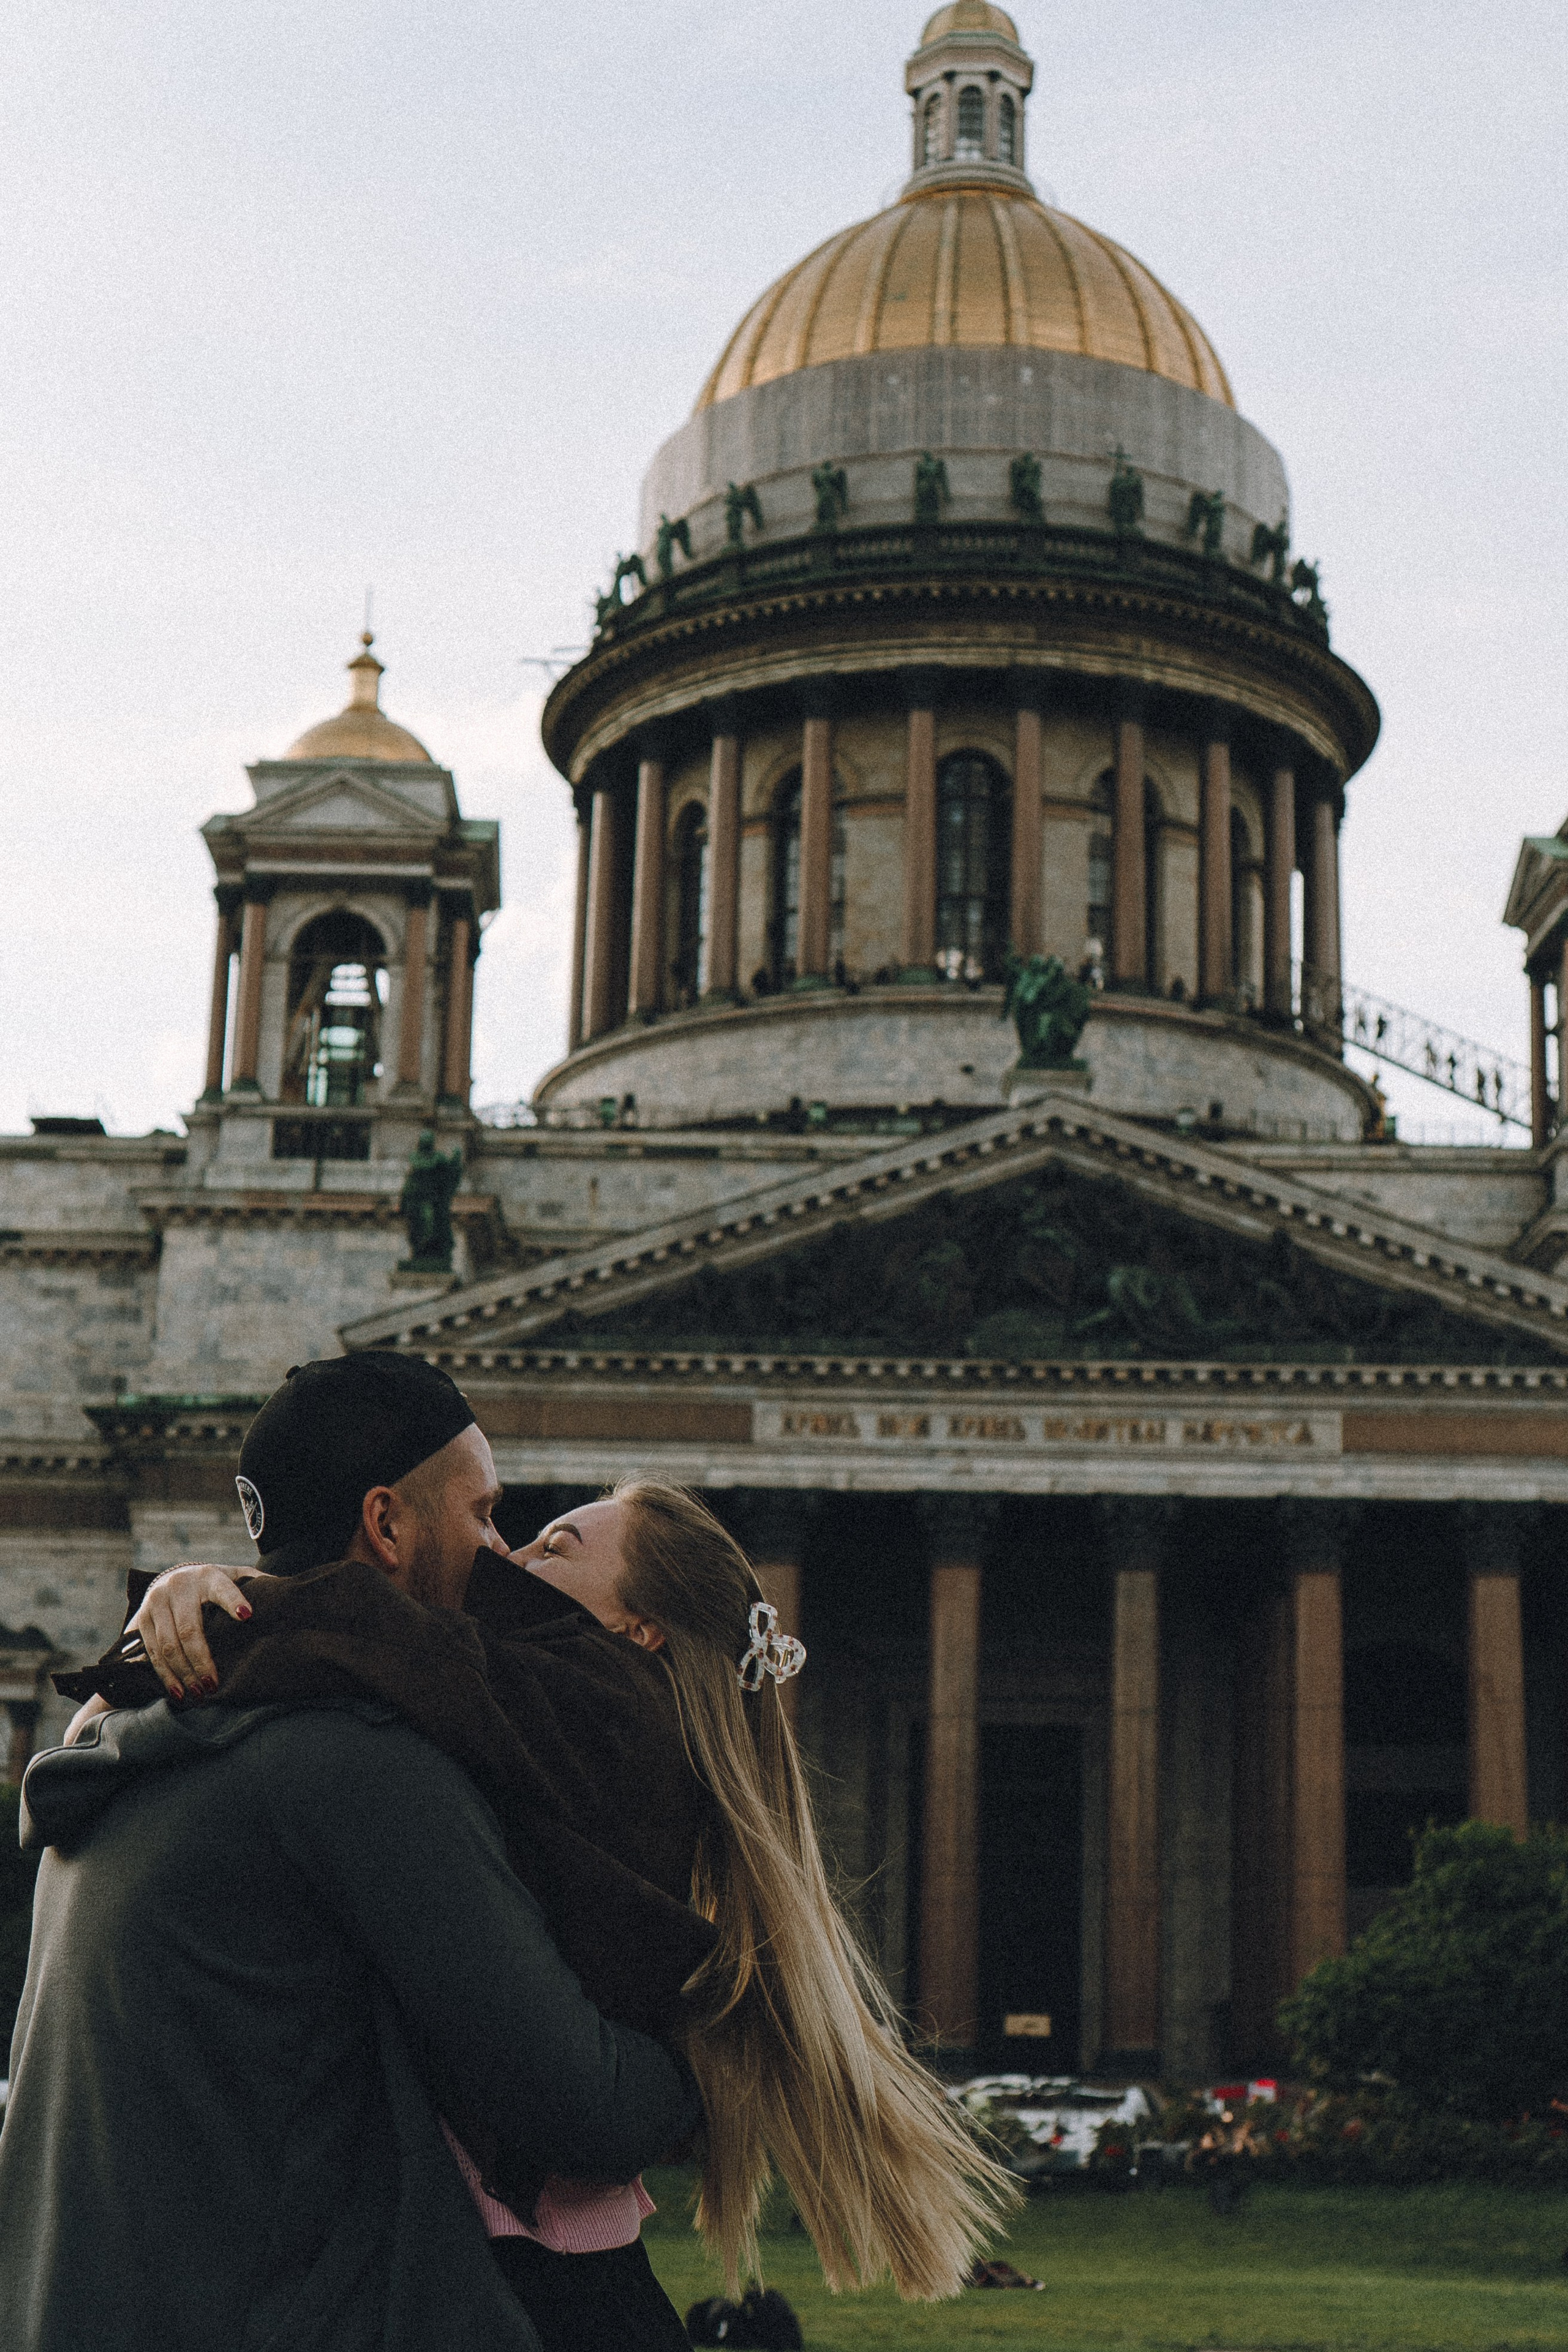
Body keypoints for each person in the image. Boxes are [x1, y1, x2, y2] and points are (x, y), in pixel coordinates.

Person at [122, 1445, 1016, 2323]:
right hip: (567, 2268)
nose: (507, 1554)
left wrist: (209, 1611)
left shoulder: (586, 1712)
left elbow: (379, 1635)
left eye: (556, 1548)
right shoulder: (573, 1731)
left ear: (638, 1630)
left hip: (534, 2279)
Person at [2, 1355, 699, 2352]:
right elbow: (583, 2107)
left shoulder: (143, 1726)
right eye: (485, 1513)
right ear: (387, 1523)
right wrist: (720, 2031)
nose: (501, 1552)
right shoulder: (349, 1760)